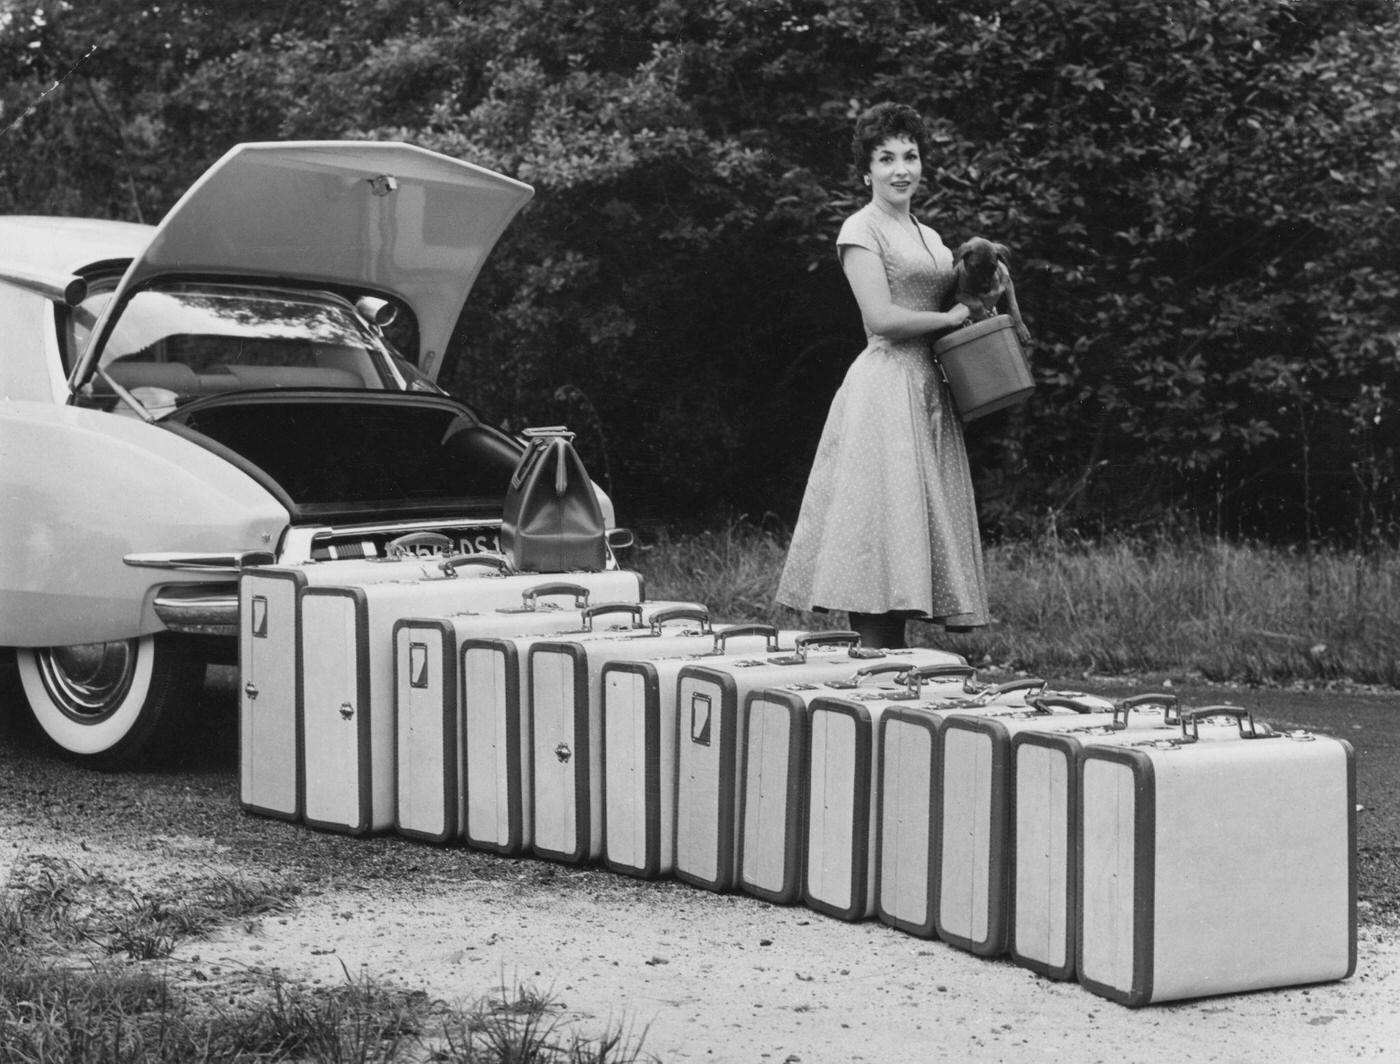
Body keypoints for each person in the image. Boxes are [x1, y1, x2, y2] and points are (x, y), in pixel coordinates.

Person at [776, 101, 989, 650]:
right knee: (879, 535)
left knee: (909, 535)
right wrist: (947, 317)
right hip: (886, 386)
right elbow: (881, 318)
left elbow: (954, 294)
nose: (901, 169)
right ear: (866, 170)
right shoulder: (860, 228)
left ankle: (895, 679)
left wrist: (981, 285)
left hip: (926, 388)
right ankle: (874, 672)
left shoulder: (928, 233)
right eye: (886, 157)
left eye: (911, 156)